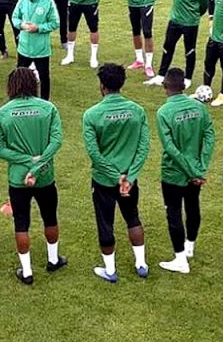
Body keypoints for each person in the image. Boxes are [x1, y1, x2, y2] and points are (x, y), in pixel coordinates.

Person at [0, 67, 65, 285]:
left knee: (21, 223)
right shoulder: (48, 108)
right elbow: (56, 141)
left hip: (18, 179)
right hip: (45, 176)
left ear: (11, 86)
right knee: (50, 217)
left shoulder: (2, 113)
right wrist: (38, 163)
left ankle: (27, 271)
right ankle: (53, 260)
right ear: (34, 84)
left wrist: (26, 161)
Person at [83, 63, 149, 282]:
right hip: (129, 180)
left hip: (103, 180)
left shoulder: (92, 115)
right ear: (122, 84)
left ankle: (110, 271)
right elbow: (143, 147)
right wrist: (129, 177)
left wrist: (114, 177)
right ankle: (141, 264)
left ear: (102, 86)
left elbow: (94, 153)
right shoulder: (137, 111)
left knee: (105, 222)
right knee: (133, 217)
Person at [156, 68, 215, 274]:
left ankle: (181, 259)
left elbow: (170, 148)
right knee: (192, 206)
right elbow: (209, 136)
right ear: (184, 86)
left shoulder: (164, 112)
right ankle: (190, 245)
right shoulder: (199, 108)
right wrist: (199, 168)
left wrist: (191, 170)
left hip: (173, 173)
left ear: (165, 86)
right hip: (195, 171)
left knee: (173, 212)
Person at [145, 0, 208, 89]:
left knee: (189, 50)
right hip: (175, 20)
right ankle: (161, 75)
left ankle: (188, 78)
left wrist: (194, 15)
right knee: (167, 46)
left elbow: (204, 4)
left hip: (190, 23)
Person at [12, 0, 60, 100]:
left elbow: (55, 23)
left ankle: (45, 102)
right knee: (20, 76)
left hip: (41, 49)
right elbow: (15, 18)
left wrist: (38, 28)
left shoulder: (48, 2)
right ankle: (18, 100)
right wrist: (21, 25)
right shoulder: (22, 0)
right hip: (24, 48)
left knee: (44, 78)